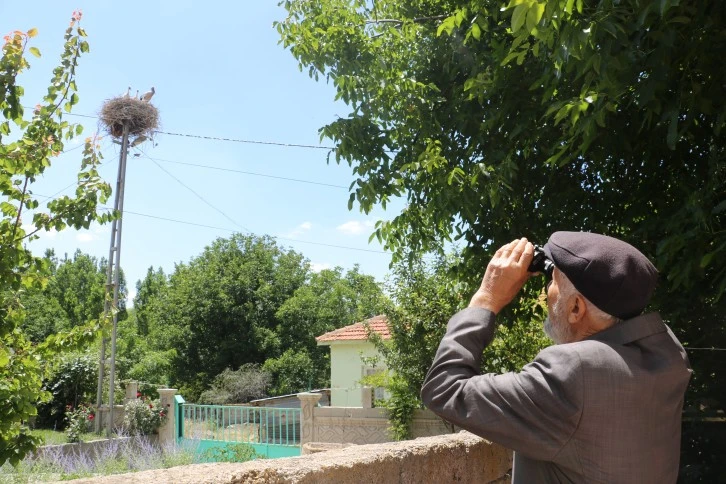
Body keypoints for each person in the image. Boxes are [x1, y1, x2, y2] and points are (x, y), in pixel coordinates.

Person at [421, 232, 692, 483]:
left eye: (553, 281)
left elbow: (444, 389)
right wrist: (559, 271)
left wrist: (486, 298)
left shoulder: (575, 372)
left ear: (575, 308)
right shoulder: (669, 358)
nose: (547, 291)